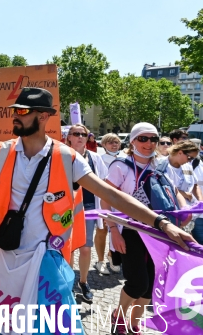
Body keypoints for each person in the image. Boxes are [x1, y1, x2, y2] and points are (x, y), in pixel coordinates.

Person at [0, 88, 195, 334]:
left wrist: (162, 224)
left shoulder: (68, 158)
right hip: (4, 258)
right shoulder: (0, 150)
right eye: (15, 111)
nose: (16, 116)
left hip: (45, 262)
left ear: (42, 117)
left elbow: (110, 193)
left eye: (23, 111)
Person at [102, 123, 189, 334]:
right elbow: (105, 198)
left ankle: (134, 322)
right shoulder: (120, 166)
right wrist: (113, 230)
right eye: (143, 138)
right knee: (137, 283)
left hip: (158, 232)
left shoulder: (160, 165)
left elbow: (174, 191)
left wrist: (184, 211)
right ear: (132, 141)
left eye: (153, 139)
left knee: (151, 286)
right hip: (130, 231)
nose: (149, 143)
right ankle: (118, 316)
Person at [65, 124, 109, 302]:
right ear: (69, 137)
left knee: (85, 248)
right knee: (67, 248)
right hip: (65, 209)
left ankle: (83, 282)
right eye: (76, 134)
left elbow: (103, 185)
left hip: (89, 208)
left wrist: (106, 213)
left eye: (84, 134)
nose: (80, 137)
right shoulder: (59, 155)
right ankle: (67, 283)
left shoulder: (95, 158)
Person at [97, 133, 125, 273]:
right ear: (104, 145)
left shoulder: (124, 159)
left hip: (120, 201)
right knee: (102, 230)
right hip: (104, 199)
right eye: (110, 142)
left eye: (116, 142)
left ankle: (111, 255)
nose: (114, 145)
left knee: (117, 230)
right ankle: (100, 260)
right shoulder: (100, 159)